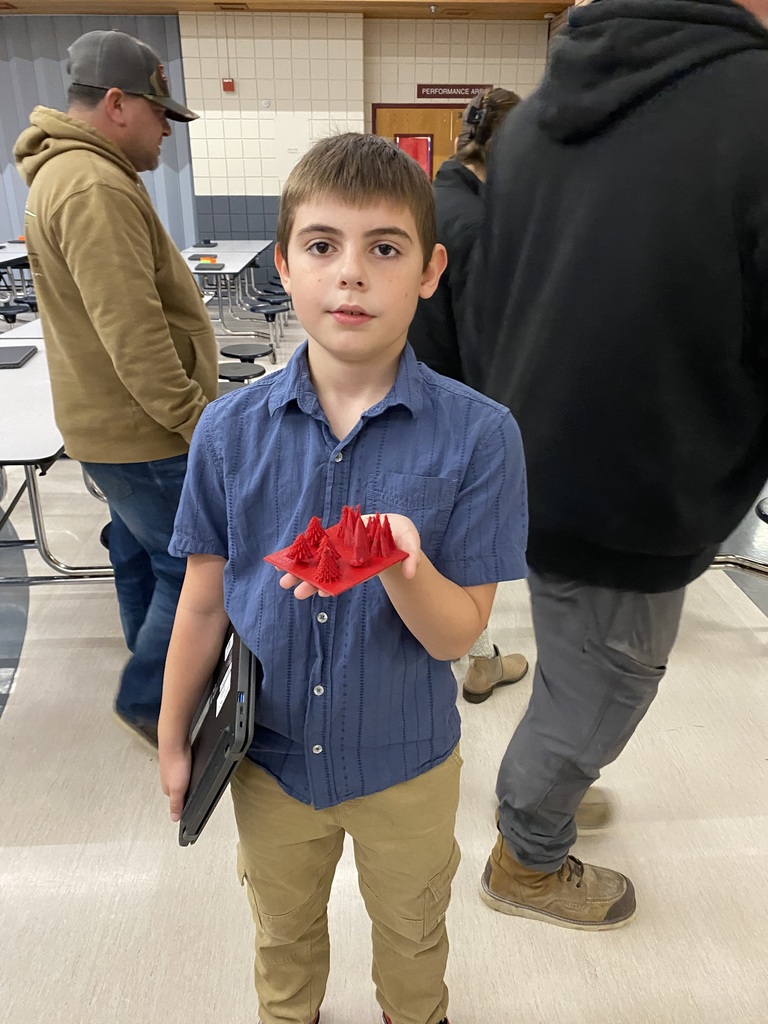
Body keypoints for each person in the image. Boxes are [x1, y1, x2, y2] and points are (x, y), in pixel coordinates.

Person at [158, 133, 528, 1024]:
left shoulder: (481, 437)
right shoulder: (227, 431)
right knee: (282, 933)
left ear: (430, 271)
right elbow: (204, 601)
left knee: (412, 932)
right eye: (323, 246)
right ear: (284, 264)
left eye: (385, 248)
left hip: (407, 763)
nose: (351, 274)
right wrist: (174, 737)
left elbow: (454, 637)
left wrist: (401, 563)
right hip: (269, 762)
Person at [464, 0, 768, 931]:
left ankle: (546, 780)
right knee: (608, 684)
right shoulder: (754, 107)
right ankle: (529, 849)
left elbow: (485, 304)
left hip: (538, 468)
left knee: (573, 659)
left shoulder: (537, 119)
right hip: (639, 486)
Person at [14, 30, 218, 745]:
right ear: (117, 103)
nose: (167, 130)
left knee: (137, 550)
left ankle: (151, 664)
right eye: (160, 113)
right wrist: (201, 423)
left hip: (112, 424)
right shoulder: (94, 186)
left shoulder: (70, 176)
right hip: (145, 430)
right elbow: (134, 338)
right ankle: (151, 697)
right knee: (193, 566)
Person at [409, 87, 527, 706]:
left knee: (419, 537)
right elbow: (489, 341)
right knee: (465, 543)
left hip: (402, 387)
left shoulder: (423, 199)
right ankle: (476, 658)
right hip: (457, 401)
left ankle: (469, 650)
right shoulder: (481, 224)